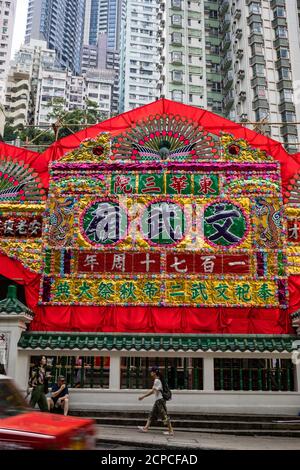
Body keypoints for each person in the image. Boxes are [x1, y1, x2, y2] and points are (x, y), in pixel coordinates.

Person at [138, 367, 174, 436]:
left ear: (154, 372)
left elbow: (153, 391)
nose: (150, 373)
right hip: (159, 400)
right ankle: (146, 428)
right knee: (152, 414)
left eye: (151, 371)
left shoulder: (157, 380)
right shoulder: (159, 380)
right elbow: (155, 391)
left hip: (160, 401)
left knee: (164, 415)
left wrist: (143, 396)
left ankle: (171, 431)